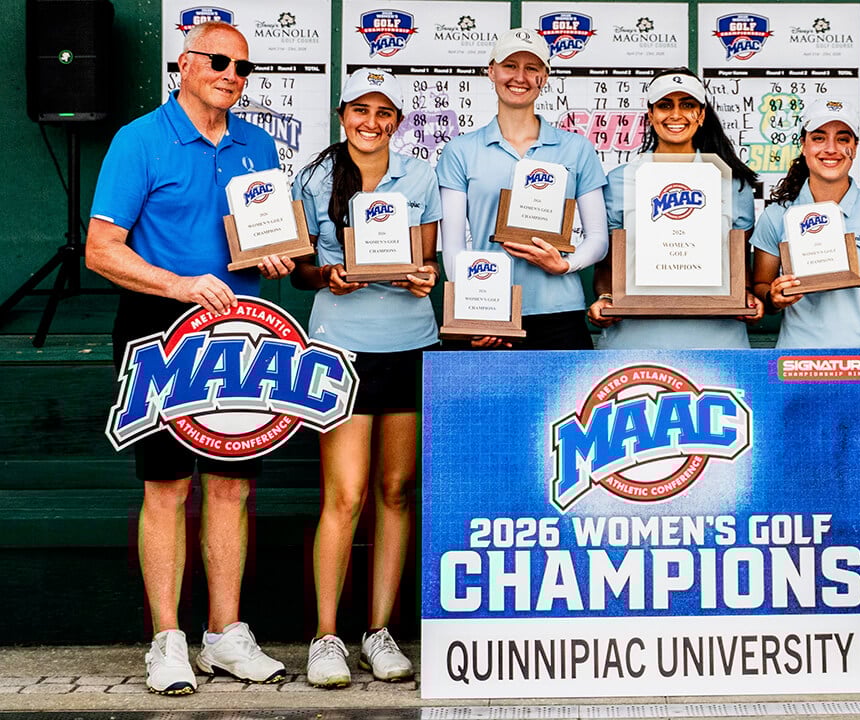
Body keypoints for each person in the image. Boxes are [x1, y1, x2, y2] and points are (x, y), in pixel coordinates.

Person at [85, 21, 290, 695]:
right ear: (184, 63)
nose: (231, 75)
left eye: (243, 67)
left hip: (243, 330)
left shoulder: (258, 144)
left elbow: (262, 238)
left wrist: (275, 257)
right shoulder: (139, 139)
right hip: (160, 329)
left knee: (232, 486)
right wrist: (176, 285)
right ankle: (167, 640)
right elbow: (101, 250)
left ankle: (225, 636)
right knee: (167, 487)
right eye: (219, 61)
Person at [289, 69, 439, 688]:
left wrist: (424, 277)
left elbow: (426, 259)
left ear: (397, 121)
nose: (370, 123)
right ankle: (326, 637)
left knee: (396, 491)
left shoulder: (420, 175)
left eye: (383, 113)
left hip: (409, 343)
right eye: (360, 110)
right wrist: (329, 276)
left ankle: (379, 632)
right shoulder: (313, 178)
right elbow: (299, 269)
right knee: (345, 495)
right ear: (342, 114)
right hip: (340, 346)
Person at [751, 102, 860, 465]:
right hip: (796, 364)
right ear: (804, 147)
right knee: (799, 479)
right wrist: (773, 296)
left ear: (855, 148)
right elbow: (759, 286)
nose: (831, 148)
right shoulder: (778, 214)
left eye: (843, 138)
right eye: (819, 138)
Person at [437, 28, 608, 349]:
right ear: (491, 71)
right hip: (488, 308)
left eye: (532, 68)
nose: (520, 77)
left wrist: (565, 265)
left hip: (559, 310)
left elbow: (598, 238)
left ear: (545, 77)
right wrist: (473, 310)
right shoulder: (460, 150)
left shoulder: (576, 149)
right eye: (509, 66)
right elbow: (453, 246)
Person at [586, 68, 763, 345]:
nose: (676, 115)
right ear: (650, 114)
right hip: (636, 338)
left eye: (688, 105)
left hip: (717, 338)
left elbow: (739, 263)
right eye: (665, 105)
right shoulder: (620, 180)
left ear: (701, 114)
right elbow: (608, 264)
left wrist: (747, 294)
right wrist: (606, 297)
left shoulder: (731, 181)